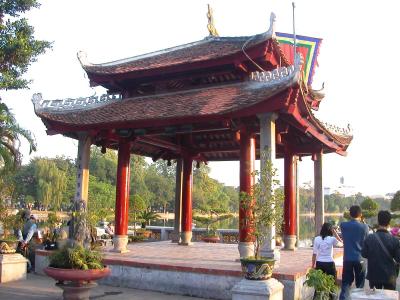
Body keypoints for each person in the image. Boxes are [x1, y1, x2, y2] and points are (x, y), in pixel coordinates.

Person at [362, 210, 400, 290]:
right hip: (391, 276)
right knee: (390, 297)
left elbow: (364, 254)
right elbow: (398, 259)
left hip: (374, 275)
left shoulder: (369, 238)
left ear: (378, 221)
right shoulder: (395, 240)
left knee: (375, 297)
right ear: (389, 222)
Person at [339, 205, 369, 300]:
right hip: (360, 258)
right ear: (360, 214)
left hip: (347, 258)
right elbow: (367, 240)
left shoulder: (343, 225)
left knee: (346, 284)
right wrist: (363, 221)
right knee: (360, 285)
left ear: (350, 214)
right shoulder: (365, 227)